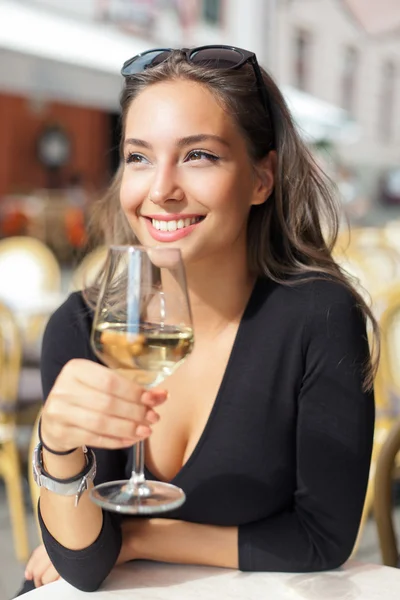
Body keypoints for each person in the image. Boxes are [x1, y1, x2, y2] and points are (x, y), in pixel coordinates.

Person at [19, 46, 377, 595]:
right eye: (139, 157)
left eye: (199, 156)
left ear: (263, 178)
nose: (161, 189)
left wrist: (139, 539)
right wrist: (57, 449)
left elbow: (321, 539)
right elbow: (85, 565)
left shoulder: (319, 318)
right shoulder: (86, 326)